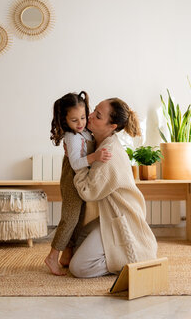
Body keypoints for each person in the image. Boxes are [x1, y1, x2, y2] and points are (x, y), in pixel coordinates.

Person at [69, 98, 158, 278]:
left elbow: (87, 191)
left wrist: (78, 164)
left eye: (98, 116)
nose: (90, 116)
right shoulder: (102, 143)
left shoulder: (108, 154)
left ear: (112, 126)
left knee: (78, 268)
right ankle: (113, 254)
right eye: (94, 110)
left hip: (122, 218)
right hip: (110, 216)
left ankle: (124, 261)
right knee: (76, 243)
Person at [45, 91, 112, 276]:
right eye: (74, 120)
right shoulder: (72, 137)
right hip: (71, 181)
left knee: (79, 218)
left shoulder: (84, 132)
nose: (80, 123)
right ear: (65, 120)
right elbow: (75, 163)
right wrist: (95, 156)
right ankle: (52, 256)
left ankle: (68, 253)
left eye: (83, 117)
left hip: (81, 181)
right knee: (70, 219)